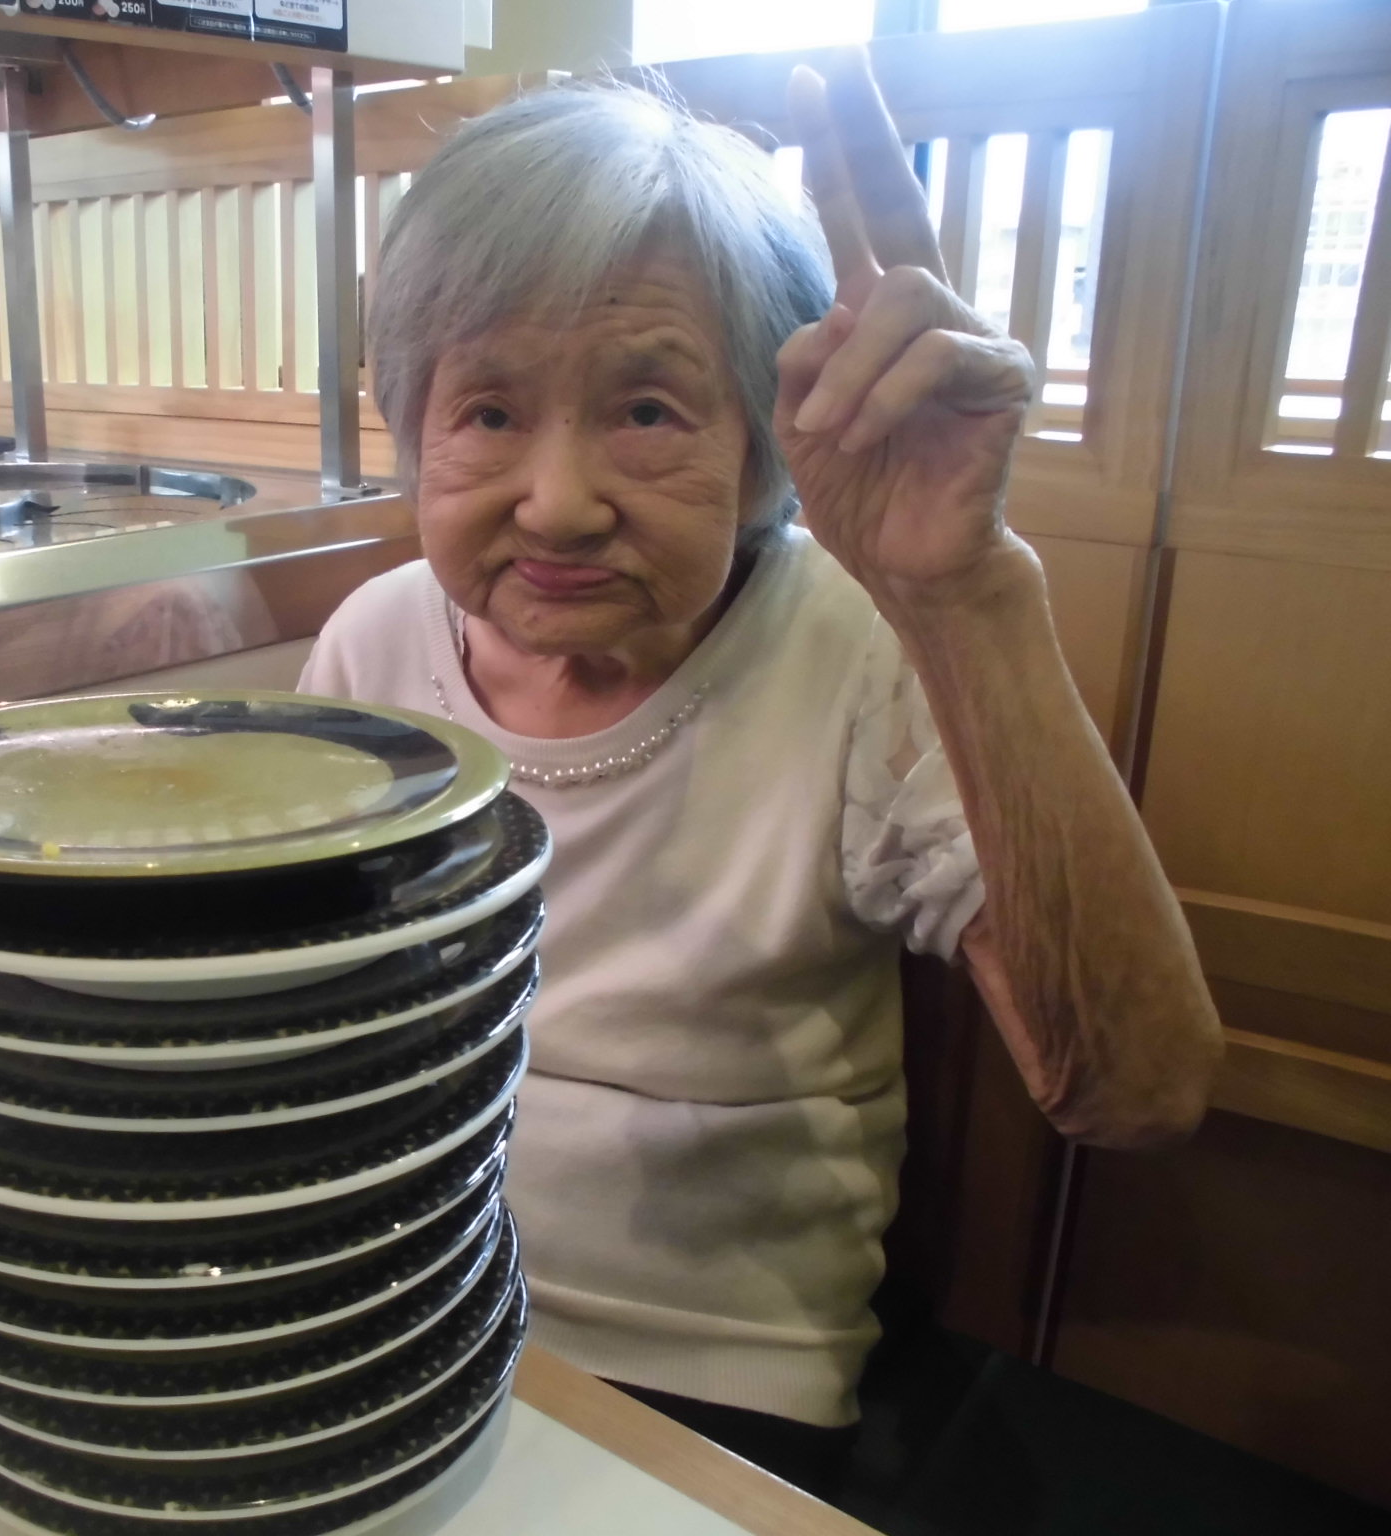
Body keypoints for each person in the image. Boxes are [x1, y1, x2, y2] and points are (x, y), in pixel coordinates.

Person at [297, 53, 1223, 1495]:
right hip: (378, 1307)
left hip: (700, 1373)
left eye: (647, 410)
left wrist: (967, 594)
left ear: (763, 442)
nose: (558, 502)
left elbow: (1137, 1092)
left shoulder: (858, 648)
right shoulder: (373, 640)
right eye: (487, 411)